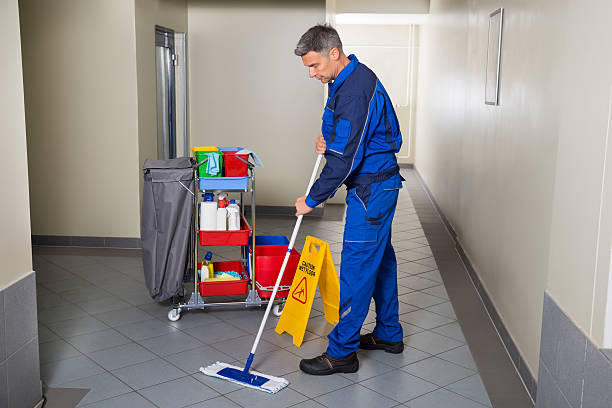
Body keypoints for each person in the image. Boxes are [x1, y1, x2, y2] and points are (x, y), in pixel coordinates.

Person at [293, 24, 405, 375]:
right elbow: (349, 138)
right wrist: (328, 141)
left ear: (334, 53)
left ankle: (341, 353)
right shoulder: (346, 81)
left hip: (371, 191)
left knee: (356, 268)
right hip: (380, 185)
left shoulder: (355, 90)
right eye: (308, 68)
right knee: (381, 262)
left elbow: (345, 160)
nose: (312, 74)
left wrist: (311, 200)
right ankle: (389, 333)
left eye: (314, 66)